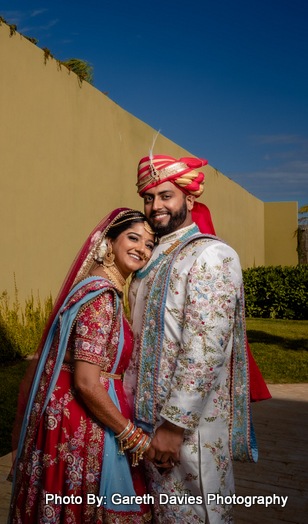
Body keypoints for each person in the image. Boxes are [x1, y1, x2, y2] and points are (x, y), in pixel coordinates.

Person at [125, 154, 259, 524]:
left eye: (166, 195)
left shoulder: (211, 255)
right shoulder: (148, 263)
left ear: (190, 199)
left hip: (188, 428)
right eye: (149, 198)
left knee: (199, 512)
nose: (156, 206)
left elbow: (204, 349)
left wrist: (173, 426)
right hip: (142, 421)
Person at [9, 208, 156, 524]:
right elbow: (87, 382)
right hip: (81, 424)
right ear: (109, 241)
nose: (142, 249)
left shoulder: (105, 291)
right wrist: (133, 437)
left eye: (149, 243)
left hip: (84, 416)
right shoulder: (100, 297)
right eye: (133, 238)